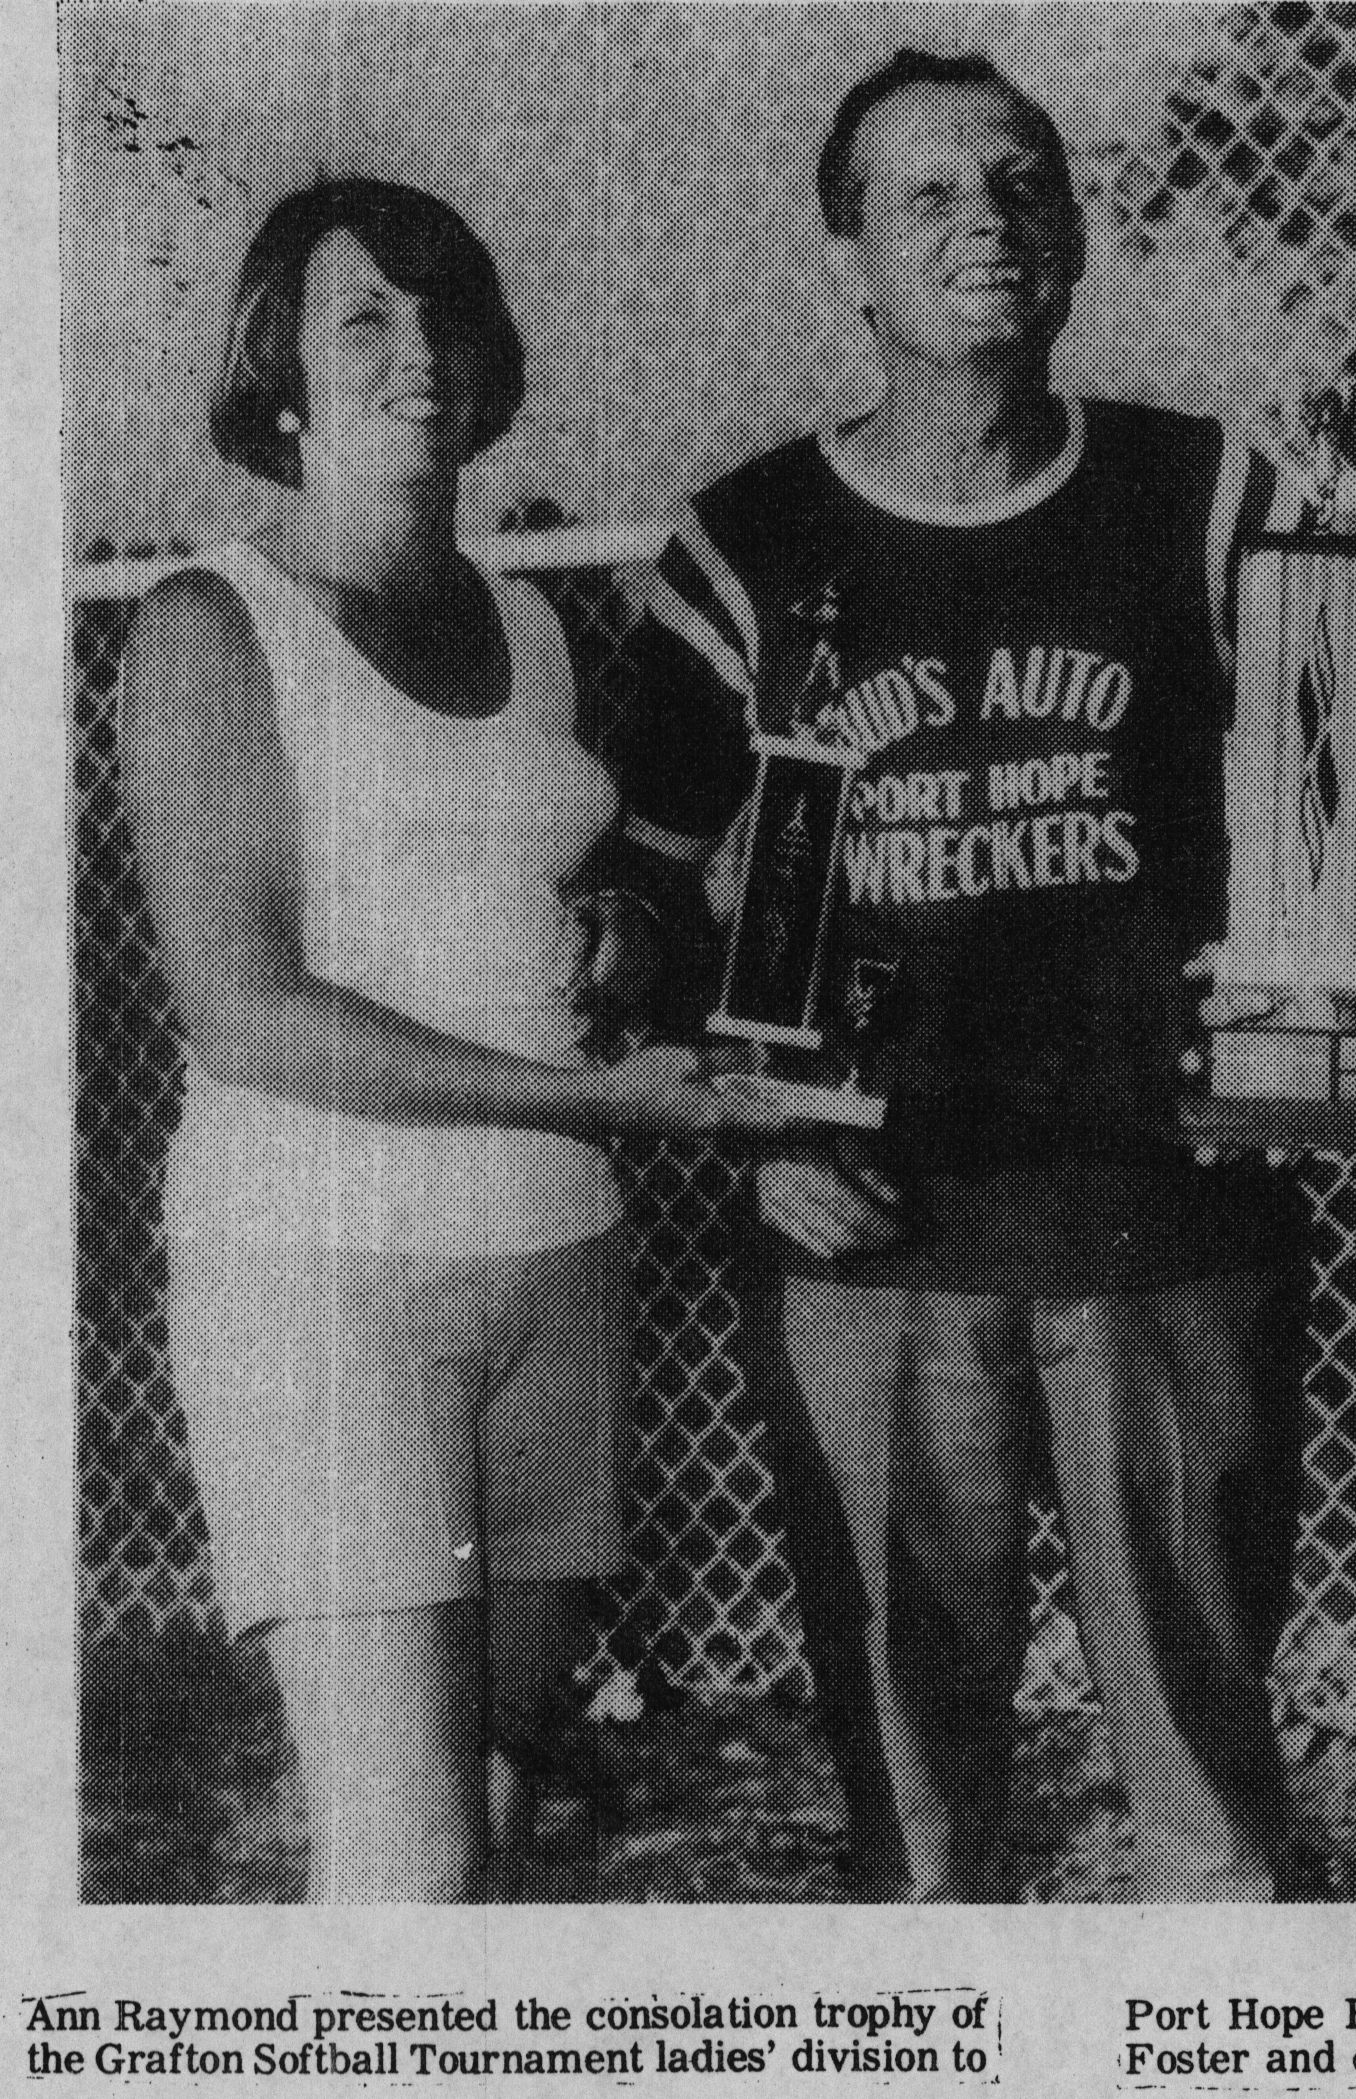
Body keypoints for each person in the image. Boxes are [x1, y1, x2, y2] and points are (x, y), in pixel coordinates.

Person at [607, 51, 1317, 1900]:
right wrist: (742, 1126)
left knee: (1212, 1808)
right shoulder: (744, 543)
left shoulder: (1214, 493)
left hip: (1166, 1217)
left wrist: (1303, 1040)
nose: (982, 222)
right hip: (871, 1235)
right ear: (844, 255)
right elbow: (641, 892)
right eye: (923, 194)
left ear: (1075, 231)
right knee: (913, 1819)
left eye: (1019, 182)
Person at [118, 179, 795, 1901]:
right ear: (279, 372)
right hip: (319, 1273)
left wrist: (619, 939)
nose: (414, 351)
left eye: (443, 315)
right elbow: (247, 1013)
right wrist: (597, 1100)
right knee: (405, 1863)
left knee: (496, 1798)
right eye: (363, 319)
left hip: (552, 1266)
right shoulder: (210, 625)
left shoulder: (531, 626)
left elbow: (533, 908)